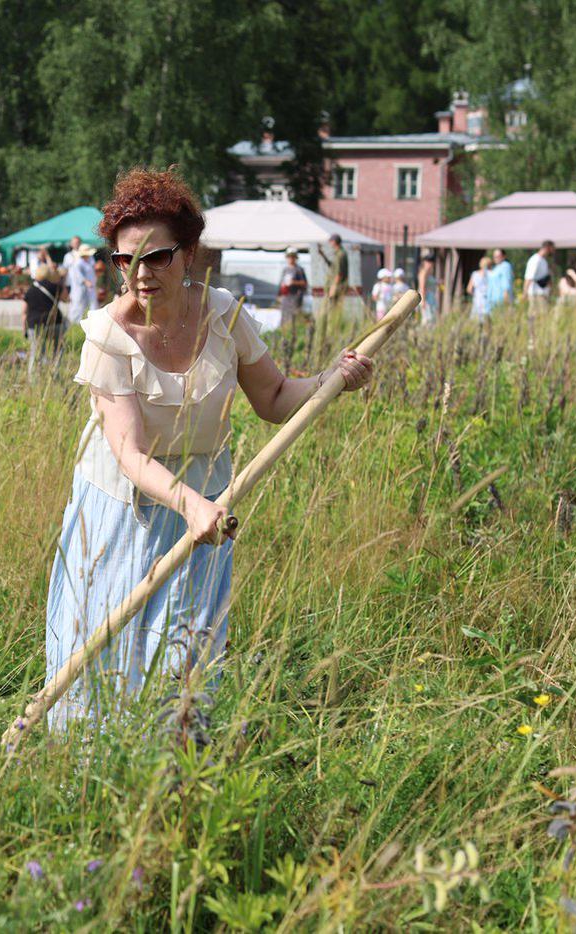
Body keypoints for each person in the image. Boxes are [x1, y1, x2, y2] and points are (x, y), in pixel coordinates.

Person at [44, 167, 373, 729]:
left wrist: (332, 380)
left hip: (207, 504)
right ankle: (94, 767)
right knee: (111, 652)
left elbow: (273, 397)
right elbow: (131, 455)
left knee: (184, 652)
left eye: (156, 257)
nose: (140, 275)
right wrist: (191, 505)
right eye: (125, 261)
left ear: (190, 253)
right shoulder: (106, 337)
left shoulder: (224, 315)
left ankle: (176, 762)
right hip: (126, 510)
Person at [23, 263, 65, 374]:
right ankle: (55, 373)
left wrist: (24, 328)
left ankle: (33, 377)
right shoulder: (55, 287)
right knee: (58, 348)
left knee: (36, 351)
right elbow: (66, 299)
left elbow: (24, 312)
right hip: (54, 323)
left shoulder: (30, 290)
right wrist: (60, 280)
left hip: (34, 324)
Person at [64, 243, 97, 327]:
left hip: (89, 289)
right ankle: (75, 325)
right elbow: (78, 275)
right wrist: (86, 282)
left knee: (90, 306)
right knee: (78, 307)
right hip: (79, 289)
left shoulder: (88, 261)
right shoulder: (78, 263)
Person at [277, 250, 308, 327]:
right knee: (285, 318)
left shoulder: (299, 269)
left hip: (295, 298)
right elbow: (281, 283)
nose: (290, 259)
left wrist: (294, 282)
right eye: (289, 257)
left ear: (295, 258)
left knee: (294, 318)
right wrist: (279, 295)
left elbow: (304, 283)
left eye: (292, 257)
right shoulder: (285, 270)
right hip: (286, 298)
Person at [524, 240, 555, 309]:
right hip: (536, 294)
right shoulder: (535, 260)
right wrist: (525, 293)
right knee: (537, 314)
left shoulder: (543, 260)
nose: (553, 251)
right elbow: (529, 278)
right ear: (547, 248)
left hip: (542, 293)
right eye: (552, 249)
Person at [324, 233, 349, 317]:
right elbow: (333, 267)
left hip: (338, 286)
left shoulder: (340, 254)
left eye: (331, 241)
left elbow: (339, 273)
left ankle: (335, 324)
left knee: (334, 309)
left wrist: (333, 287)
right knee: (334, 309)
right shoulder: (339, 253)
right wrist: (323, 255)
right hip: (337, 284)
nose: (330, 243)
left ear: (335, 242)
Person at [467, 256, 492, 320]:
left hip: (477, 299)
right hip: (488, 299)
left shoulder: (475, 274)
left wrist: (476, 294)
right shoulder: (491, 274)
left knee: (476, 319)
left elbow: (469, 289)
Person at [417, 253, 438, 321]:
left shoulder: (430, 273)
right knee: (427, 319)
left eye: (431, 262)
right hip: (426, 298)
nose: (430, 264)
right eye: (428, 262)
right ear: (425, 262)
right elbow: (422, 287)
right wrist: (423, 301)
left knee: (432, 319)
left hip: (431, 297)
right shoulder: (423, 273)